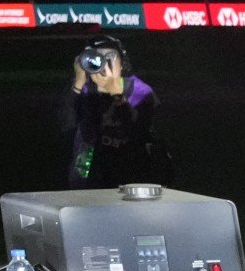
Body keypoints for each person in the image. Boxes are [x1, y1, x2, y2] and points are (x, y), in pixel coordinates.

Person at [66, 38, 170, 185]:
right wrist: (77, 83)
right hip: (89, 171)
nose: (102, 64)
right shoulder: (83, 89)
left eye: (109, 57)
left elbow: (139, 132)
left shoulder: (141, 92)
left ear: (122, 63)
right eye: (95, 57)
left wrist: (115, 92)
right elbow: (65, 126)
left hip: (130, 174)